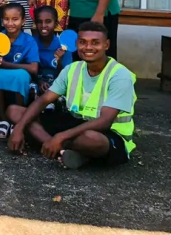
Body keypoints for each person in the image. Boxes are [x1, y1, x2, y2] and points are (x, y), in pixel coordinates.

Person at [7, 22, 136, 169]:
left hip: (108, 132)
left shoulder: (120, 75)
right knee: (14, 111)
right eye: (83, 42)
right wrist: (18, 129)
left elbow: (105, 121)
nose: (88, 47)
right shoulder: (72, 68)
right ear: (76, 44)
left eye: (95, 43)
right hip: (75, 123)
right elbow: (44, 100)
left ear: (106, 45)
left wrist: (61, 136)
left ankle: (57, 145)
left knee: (91, 139)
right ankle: (62, 151)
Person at [0, 3, 39, 140]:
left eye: (15, 19)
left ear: (23, 21)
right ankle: (2, 120)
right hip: (1, 73)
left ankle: (16, 118)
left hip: (20, 74)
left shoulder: (29, 41)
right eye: (6, 19)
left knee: (21, 76)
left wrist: (6, 64)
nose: (10, 23)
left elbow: (33, 68)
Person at [34, 6, 72, 96]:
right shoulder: (31, 42)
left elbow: (66, 75)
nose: (43, 25)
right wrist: (39, 82)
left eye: (48, 21)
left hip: (58, 82)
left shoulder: (64, 45)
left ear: (56, 24)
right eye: (39, 22)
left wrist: (59, 61)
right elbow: (28, 69)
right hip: (35, 82)